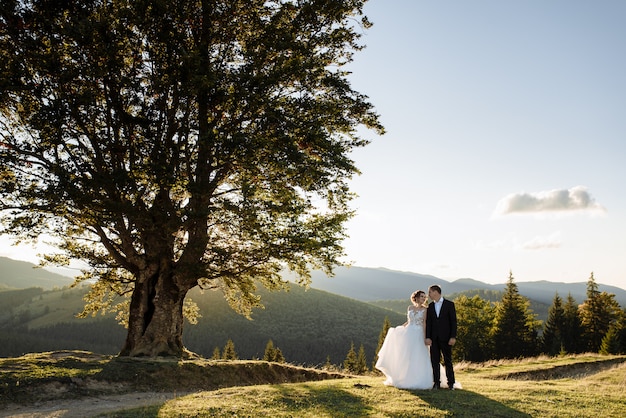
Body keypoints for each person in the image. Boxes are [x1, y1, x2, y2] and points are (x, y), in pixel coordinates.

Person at [375, 290, 434, 389]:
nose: (424, 299)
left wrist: (425, 337)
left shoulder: (425, 309)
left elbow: (424, 323)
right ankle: (404, 377)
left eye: (425, 297)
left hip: (419, 333)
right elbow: (409, 321)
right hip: (409, 333)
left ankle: (418, 379)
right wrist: (400, 329)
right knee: (406, 355)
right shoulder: (410, 308)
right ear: (416, 298)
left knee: (418, 355)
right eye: (422, 297)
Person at [425, 284, 458, 390]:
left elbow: (453, 322)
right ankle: (436, 383)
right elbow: (428, 323)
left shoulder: (449, 304)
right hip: (434, 339)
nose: (428, 294)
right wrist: (428, 337)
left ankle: (451, 383)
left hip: (446, 338)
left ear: (436, 292)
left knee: (448, 360)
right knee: (434, 361)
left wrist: (453, 336)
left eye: (430, 292)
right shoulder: (430, 307)